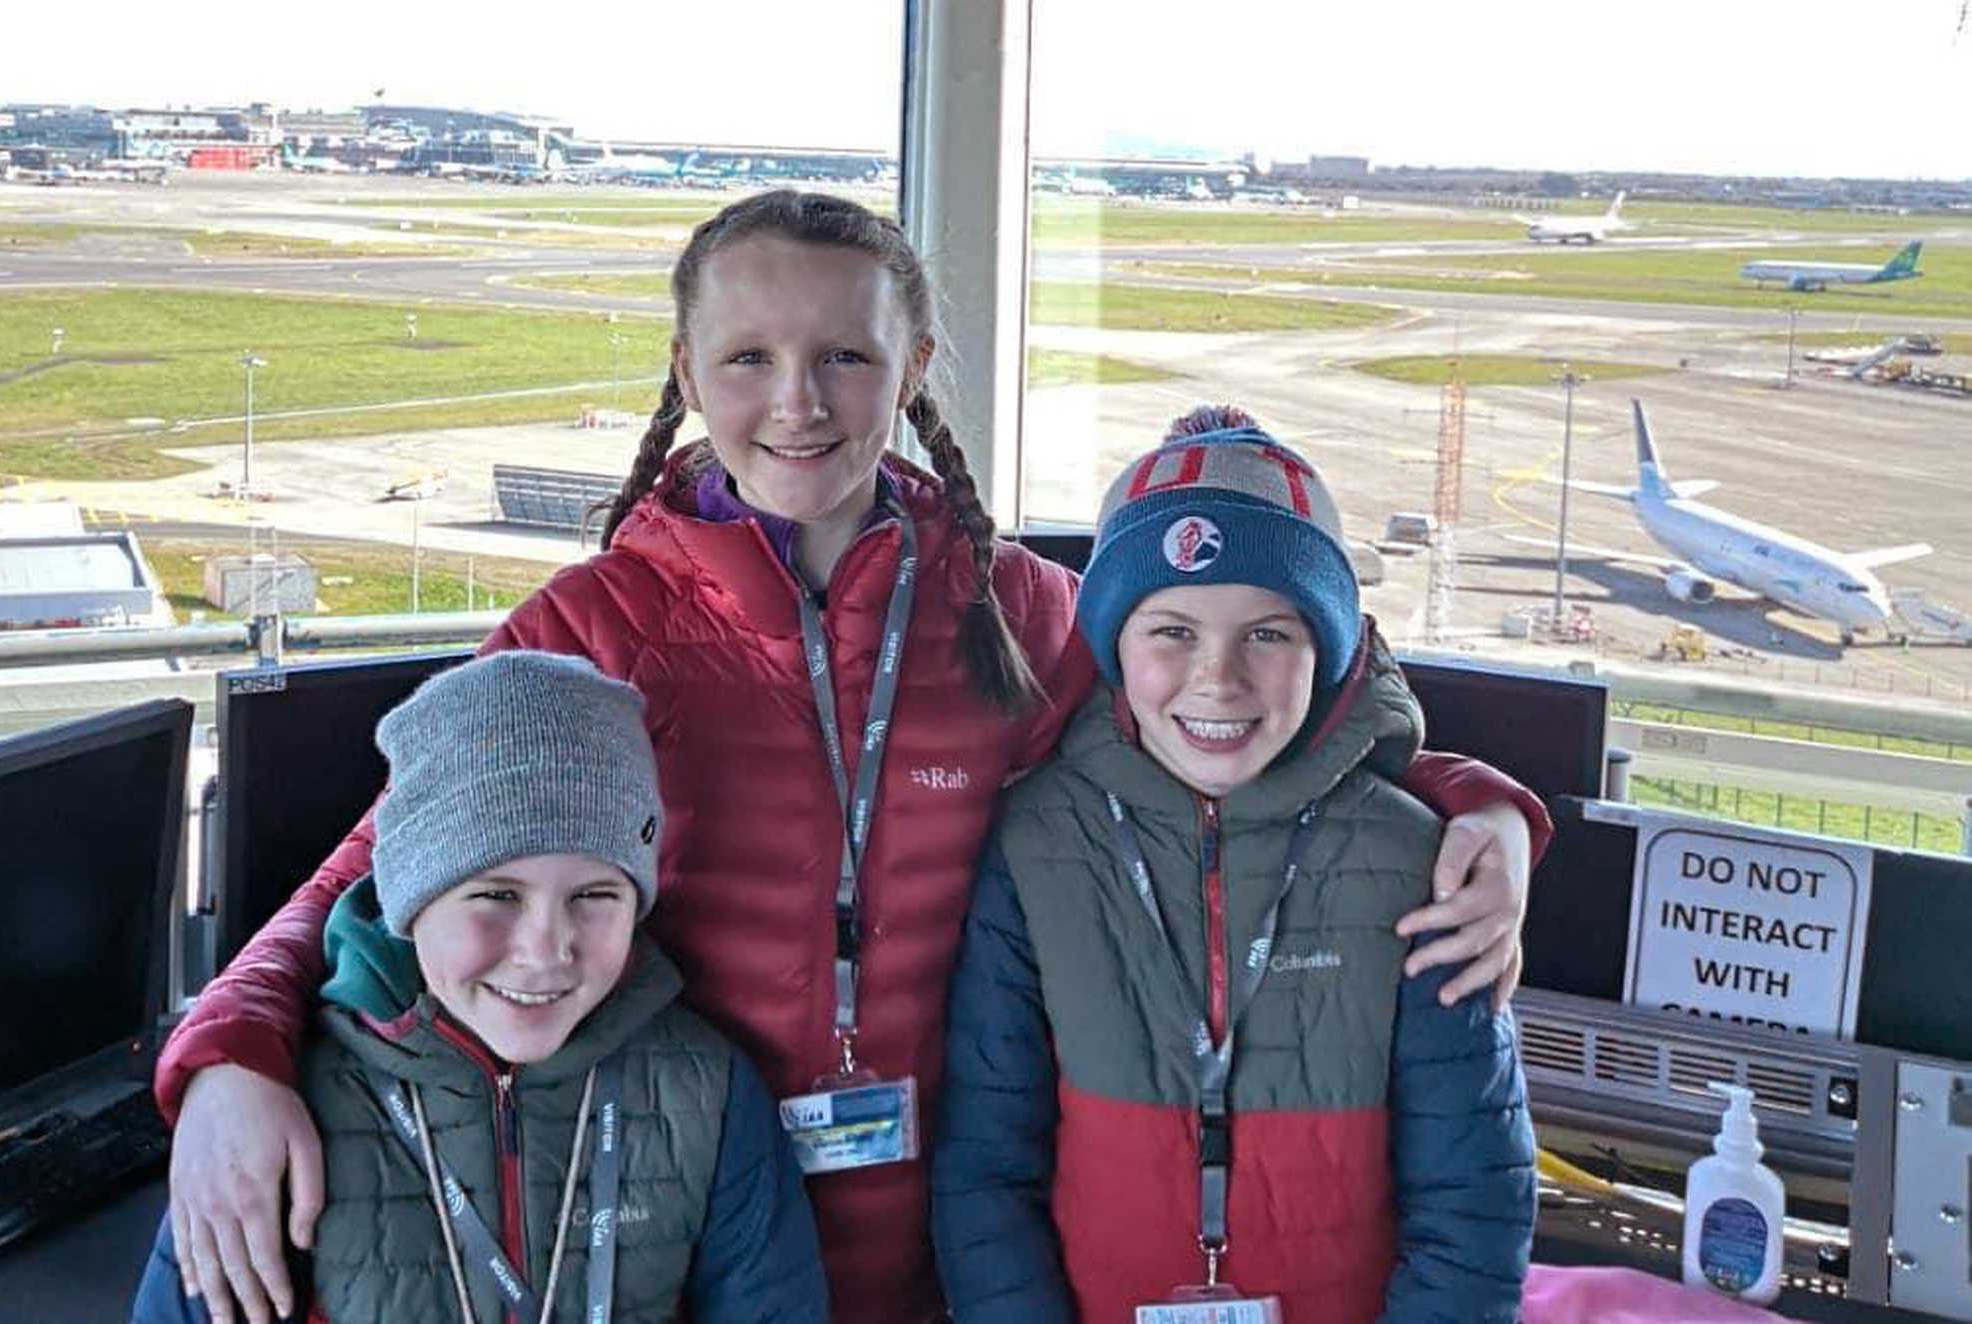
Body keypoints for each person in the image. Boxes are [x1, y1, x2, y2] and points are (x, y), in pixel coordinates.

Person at [153, 191, 1551, 1324]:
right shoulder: (593, 627)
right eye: (748, 358)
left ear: (915, 369)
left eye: (846, 356)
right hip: (685, 1233)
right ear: (688, 373)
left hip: (965, 1247)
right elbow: (384, 862)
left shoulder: (1016, 613)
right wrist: (229, 1056)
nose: (798, 402)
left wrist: (1475, 804)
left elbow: (1251, 712)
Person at [933, 426, 1536, 1323]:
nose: (1217, 679)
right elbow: (986, 1166)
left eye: (1267, 633)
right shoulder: (1035, 842)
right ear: (1111, 643)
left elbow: (1475, 1198)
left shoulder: (1420, 861)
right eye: (1171, 630)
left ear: (1325, 649)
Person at [133, 651, 826, 1323]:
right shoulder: (282, 1114)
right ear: (409, 898)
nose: (544, 949)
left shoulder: (707, 1091)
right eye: (496, 893)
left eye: (595, 894)